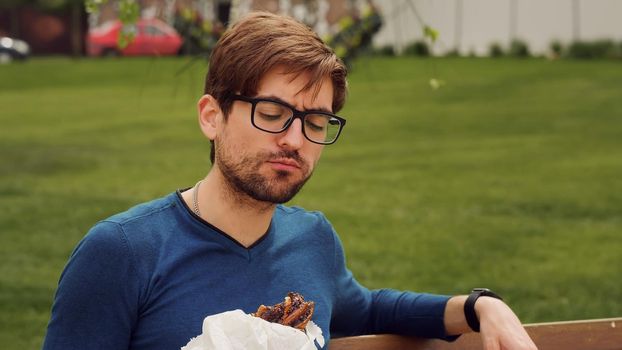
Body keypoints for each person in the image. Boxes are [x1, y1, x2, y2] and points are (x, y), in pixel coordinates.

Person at [43, 12, 537, 350]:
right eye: (273, 112)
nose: (296, 140)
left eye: (316, 122)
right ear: (212, 117)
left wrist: (480, 308)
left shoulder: (313, 240)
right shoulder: (122, 253)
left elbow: (370, 310)